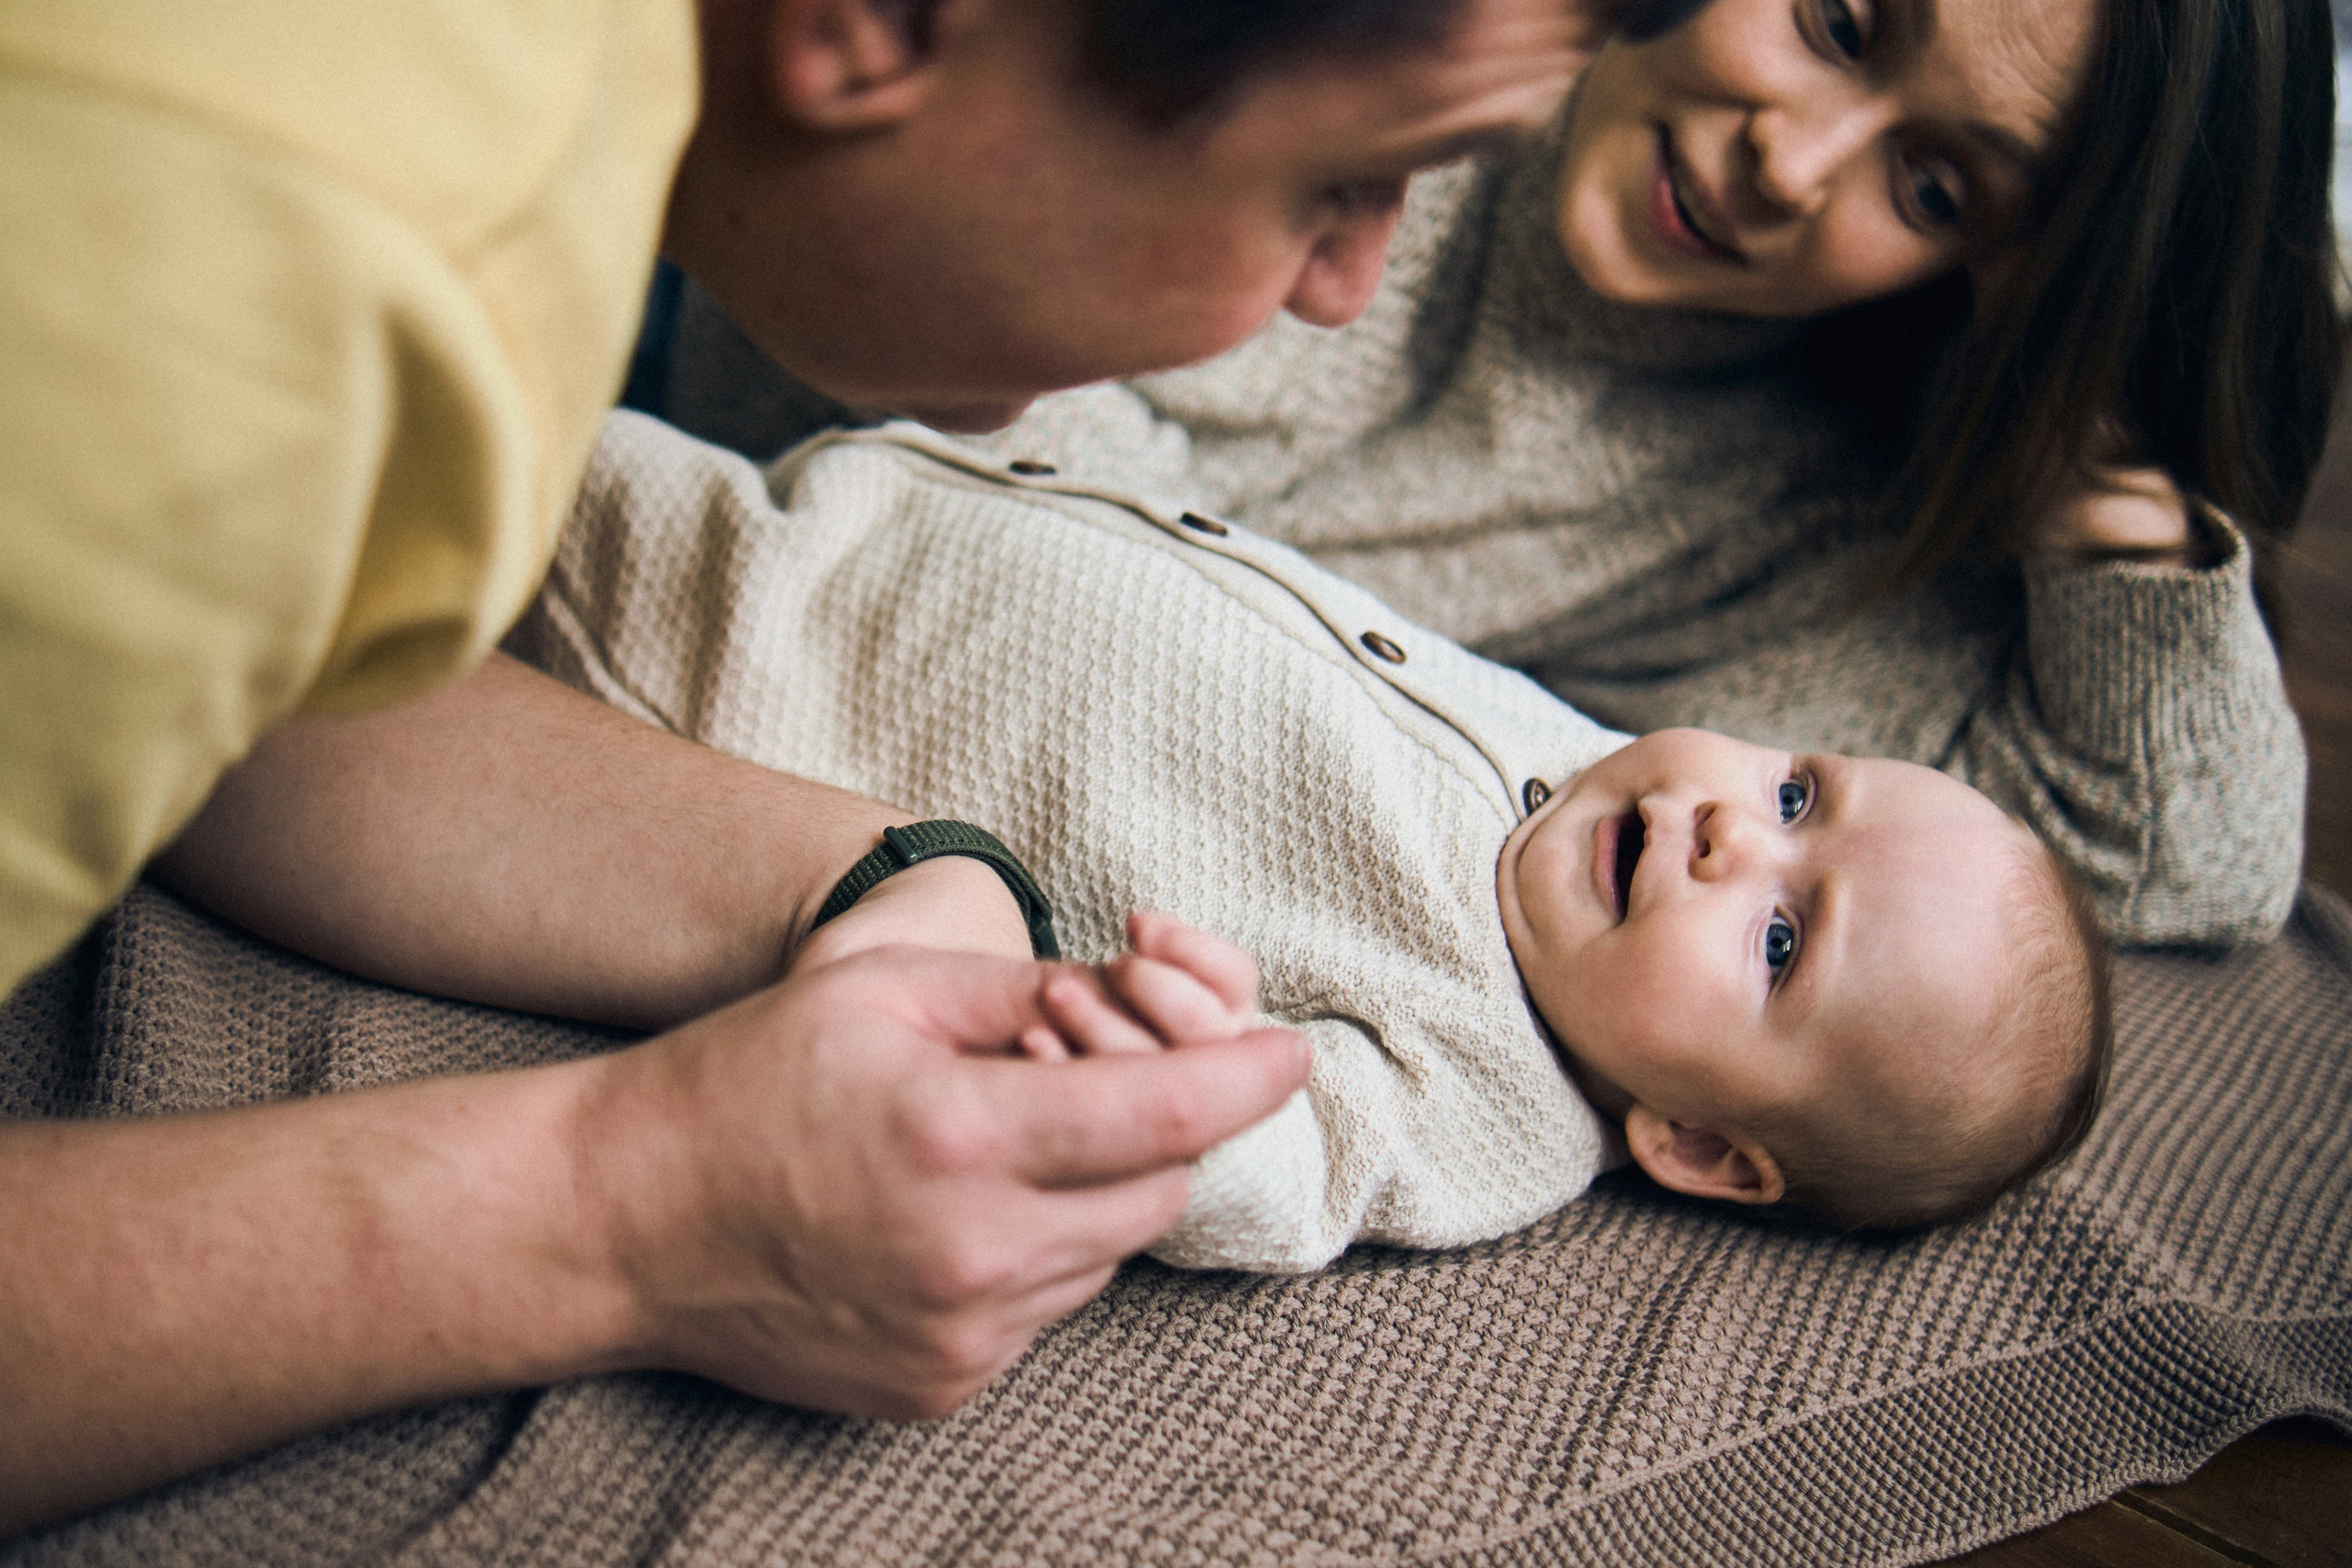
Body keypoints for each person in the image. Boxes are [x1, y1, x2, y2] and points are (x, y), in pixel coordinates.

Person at [0, 0, 1631, 1530]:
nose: (1346, 287)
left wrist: (879, 874)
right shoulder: (287, 291)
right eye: (1335, 184)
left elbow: (257, 696)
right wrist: (633, 1208)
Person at [816, 0, 2335, 951]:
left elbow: (2183, 857)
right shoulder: (1394, 49)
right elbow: (944, 371)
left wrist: (2102, 452)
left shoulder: (1792, 525)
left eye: (1936, 187)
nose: (1793, 168)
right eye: (1842, 23)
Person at [514, 412, 2109, 1264]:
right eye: (1797, 796)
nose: (1724, 839)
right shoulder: (1586, 763)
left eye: (1779, 943)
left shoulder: (1491, 1105)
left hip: (722, 670)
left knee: (408, 503)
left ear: (1696, 1145)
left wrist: (1168, 1080)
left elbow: (1286, 1173)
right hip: (854, 509)